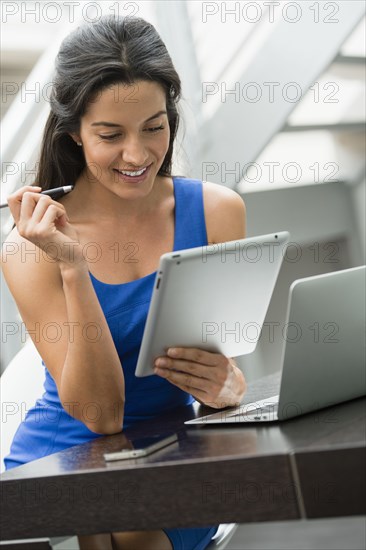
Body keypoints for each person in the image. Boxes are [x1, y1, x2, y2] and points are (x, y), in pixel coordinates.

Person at [1, 15, 247, 550]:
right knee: (104, 528)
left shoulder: (217, 213)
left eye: (154, 127)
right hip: (66, 453)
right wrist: (72, 264)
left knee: (135, 531)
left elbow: (217, 371)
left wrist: (227, 389)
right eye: (110, 135)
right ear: (73, 132)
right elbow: (102, 414)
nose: (137, 155)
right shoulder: (27, 247)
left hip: (170, 450)